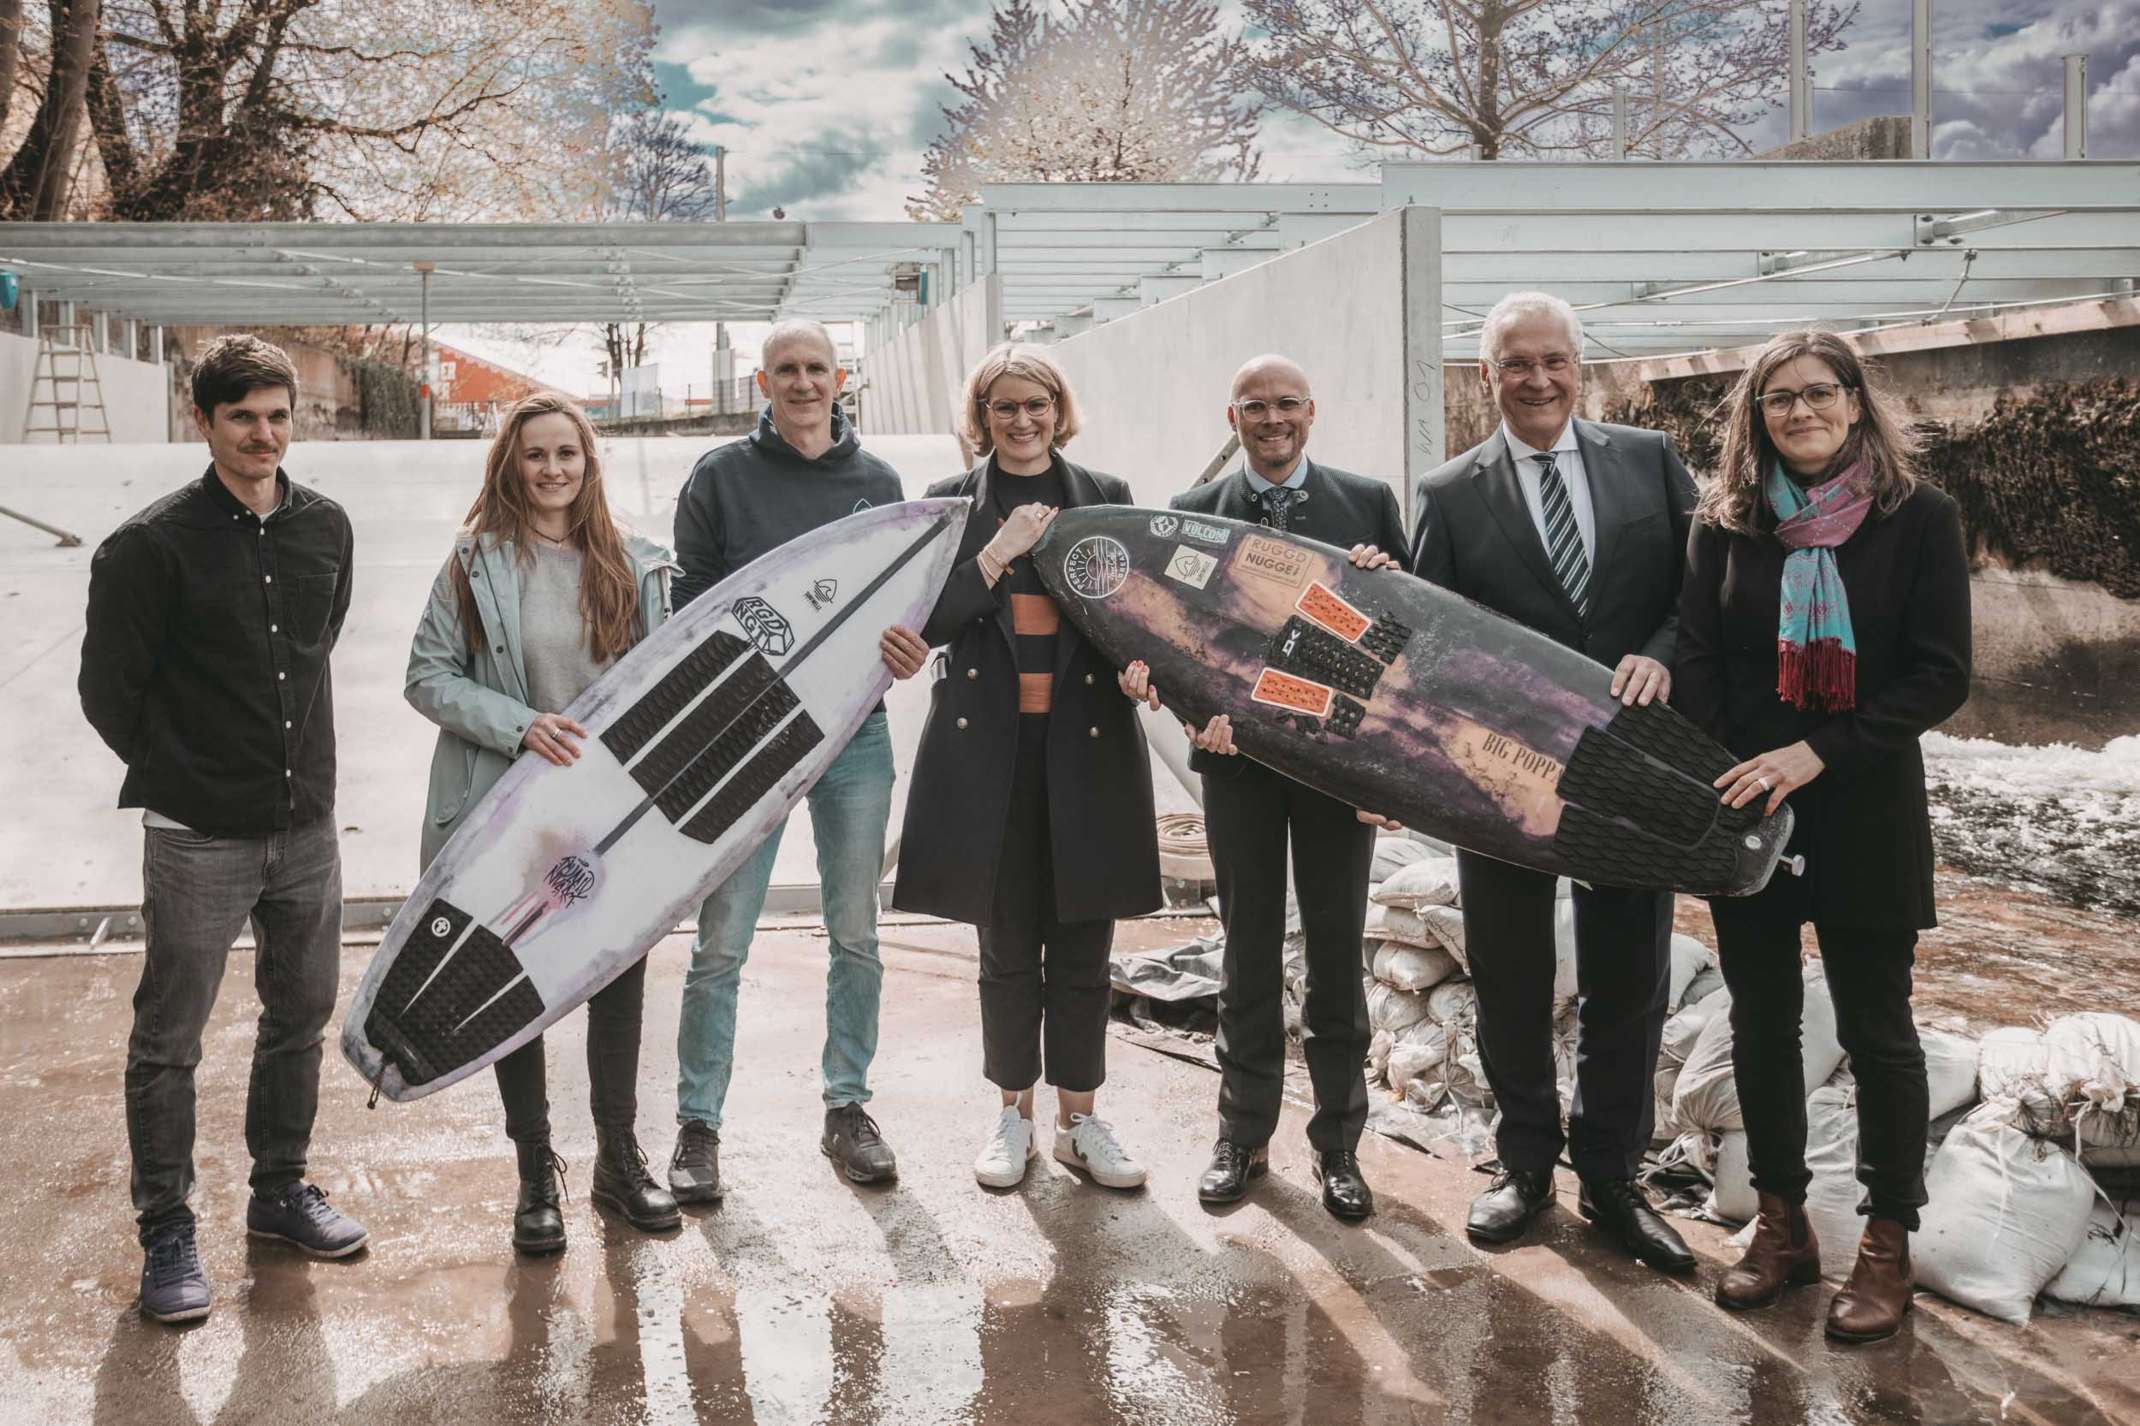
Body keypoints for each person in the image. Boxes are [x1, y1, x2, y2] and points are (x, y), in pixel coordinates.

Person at [1675, 330, 1970, 1343]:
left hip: (1864, 803)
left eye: (1816, 392)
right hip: (1747, 806)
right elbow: (1699, 657)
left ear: (1854, 400)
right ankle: (1782, 1224)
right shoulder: (1725, 522)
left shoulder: (1918, 518)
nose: (1798, 411)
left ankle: (1886, 1244)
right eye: (1777, 398)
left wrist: (1813, 754)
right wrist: (1737, 770)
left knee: (1876, 1028)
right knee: (1760, 1020)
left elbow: (1939, 674)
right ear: (1755, 418)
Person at [80, 335, 367, 1324]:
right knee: (170, 1038)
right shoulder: (148, 547)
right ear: (200, 420)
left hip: (306, 826)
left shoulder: (326, 528)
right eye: (242, 416)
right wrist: (191, 775)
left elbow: (318, 647)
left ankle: (279, 1189)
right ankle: (166, 1229)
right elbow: (108, 694)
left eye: (278, 415)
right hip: (198, 833)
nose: (263, 434)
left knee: (300, 1016)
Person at [1410, 293, 1698, 1271]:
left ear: (1581, 365)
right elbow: (1431, 636)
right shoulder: (1448, 492)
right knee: (1510, 969)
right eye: (1516, 364)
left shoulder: (1650, 461)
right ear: (1485, 376)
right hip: (1502, 771)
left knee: (1629, 977)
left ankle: (1613, 1177)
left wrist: (1662, 654)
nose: (1538, 380)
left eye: (1554, 360)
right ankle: (1524, 1164)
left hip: (1632, 760)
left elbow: (1698, 591)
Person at [404, 392, 682, 1251]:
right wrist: (519, 725)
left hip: (610, 816)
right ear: (511, 466)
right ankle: (535, 1171)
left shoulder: (638, 564)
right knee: (508, 985)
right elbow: (427, 676)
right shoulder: (474, 563)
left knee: (616, 983)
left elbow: (669, 687)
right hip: (505, 813)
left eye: (568, 453)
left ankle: (617, 1159)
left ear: (589, 462)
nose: (553, 469)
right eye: (536, 455)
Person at [667, 320, 929, 1201]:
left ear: (840, 378)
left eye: (818, 367)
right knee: (722, 943)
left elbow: (902, 599)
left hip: (855, 733)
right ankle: (698, 1126)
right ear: (764, 382)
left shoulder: (877, 482)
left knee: (855, 932)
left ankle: (847, 1108)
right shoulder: (720, 477)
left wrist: (908, 647)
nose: (804, 382)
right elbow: (690, 605)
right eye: (788, 369)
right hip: (748, 740)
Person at [893, 342, 1162, 1191]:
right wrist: (996, 552)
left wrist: (1143, 668)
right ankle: (1013, 1118)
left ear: (1057, 410)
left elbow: (1137, 614)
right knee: (1006, 947)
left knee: (1084, 946)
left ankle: (1081, 1124)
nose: (1022, 420)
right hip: (990, 755)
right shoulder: (950, 503)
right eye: (1004, 406)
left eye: (1036, 404)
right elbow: (925, 623)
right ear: (983, 416)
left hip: (1088, 748)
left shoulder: (1105, 496)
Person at [1169, 353, 1408, 1222]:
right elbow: (1178, 635)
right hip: (1240, 765)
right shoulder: (1194, 512)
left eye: (1287, 405)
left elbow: (1404, 640)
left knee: (1338, 952)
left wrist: (1383, 581)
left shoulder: (1367, 504)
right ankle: (1242, 1135)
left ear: (1312, 413)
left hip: (1336, 767)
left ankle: (1339, 1145)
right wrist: (1194, 713)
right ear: (1231, 418)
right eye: (1255, 407)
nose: (1272, 420)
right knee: (1248, 952)